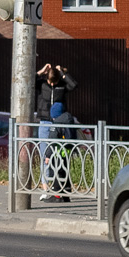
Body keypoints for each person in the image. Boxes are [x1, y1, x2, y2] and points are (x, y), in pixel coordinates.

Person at [36, 63, 77, 202]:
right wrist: (42, 71)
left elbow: (73, 85)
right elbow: (30, 81)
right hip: (45, 121)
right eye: (50, 82)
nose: (52, 84)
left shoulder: (62, 85)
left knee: (59, 156)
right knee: (45, 156)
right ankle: (45, 188)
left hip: (59, 123)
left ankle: (59, 189)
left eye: (55, 82)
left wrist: (62, 73)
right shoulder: (42, 84)